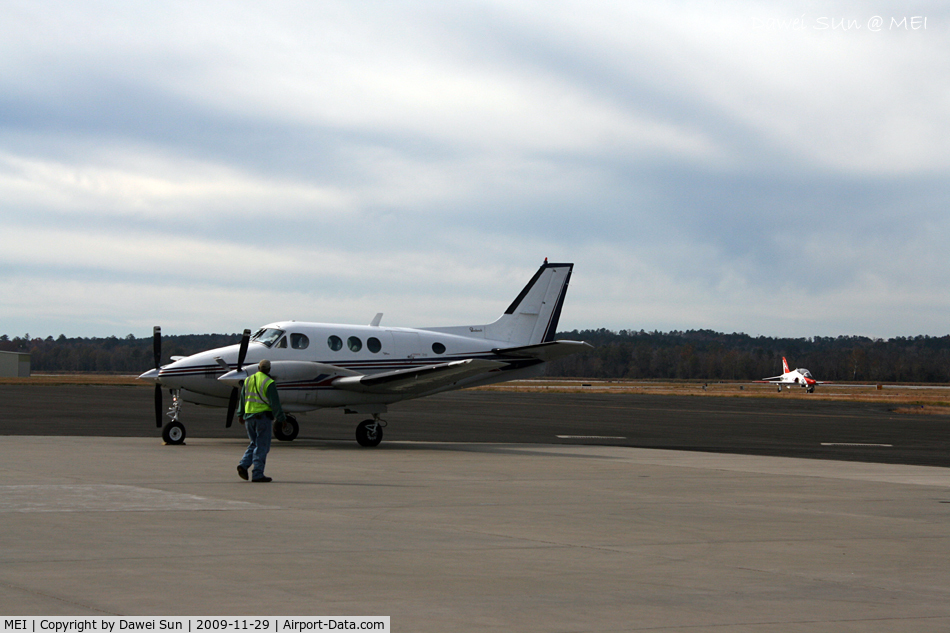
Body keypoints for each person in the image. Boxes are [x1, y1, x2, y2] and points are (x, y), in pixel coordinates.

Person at [236, 359, 286, 482]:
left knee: (254, 443)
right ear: (269, 369)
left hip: (249, 418)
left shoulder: (248, 380)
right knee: (262, 446)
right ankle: (257, 473)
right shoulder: (269, 382)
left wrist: (240, 414)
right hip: (262, 418)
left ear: (258, 368)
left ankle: (243, 465)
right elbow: (275, 404)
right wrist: (281, 418)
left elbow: (242, 399)